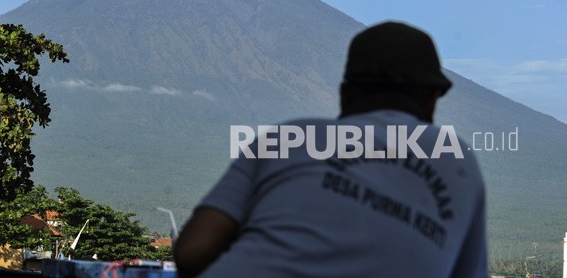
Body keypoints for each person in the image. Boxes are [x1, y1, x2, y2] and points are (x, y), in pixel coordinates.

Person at [174, 21, 488, 278]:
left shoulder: (289, 136)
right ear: (432, 98)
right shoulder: (457, 160)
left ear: (345, 94)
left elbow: (192, 252)